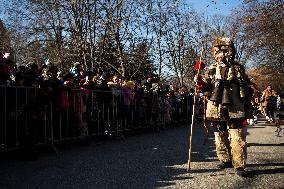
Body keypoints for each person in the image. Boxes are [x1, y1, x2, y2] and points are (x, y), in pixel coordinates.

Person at [195, 37, 255, 177]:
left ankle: (239, 164)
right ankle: (225, 159)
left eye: (225, 51)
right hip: (216, 105)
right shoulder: (211, 68)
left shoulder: (237, 67)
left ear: (231, 52)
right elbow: (205, 85)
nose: (221, 54)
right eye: (218, 52)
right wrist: (199, 82)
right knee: (219, 133)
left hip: (235, 105)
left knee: (237, 134)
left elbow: (246, 84)